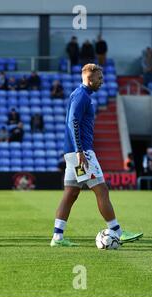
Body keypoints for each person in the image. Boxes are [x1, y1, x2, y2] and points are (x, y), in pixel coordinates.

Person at [50, 63, 143, 247]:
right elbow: (72, 122)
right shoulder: (81, 96)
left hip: (73, 152)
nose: (102, 81)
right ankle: (117, 231)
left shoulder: (80, 95)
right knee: (101, 190)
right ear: (89, 78)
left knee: (70, 193)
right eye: (99, 78)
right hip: (81, 152)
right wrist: (80, 151)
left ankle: (57, 237)